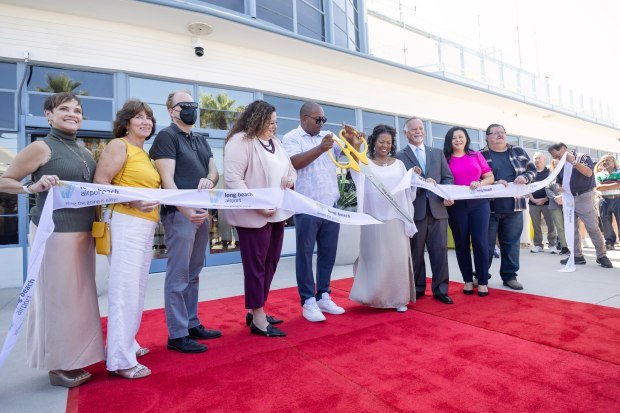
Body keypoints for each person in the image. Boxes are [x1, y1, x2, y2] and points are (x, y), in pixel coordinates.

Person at [0, 92, 104, 387]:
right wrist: (33, 187)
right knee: (57, 299)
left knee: (80, 299)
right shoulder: (41, 147)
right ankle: (58, 366)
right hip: (54, 233)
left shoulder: (83, 151)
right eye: (64, 109)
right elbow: (5, 180)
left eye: (77, 110)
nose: (72, 114)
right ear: (48, 114)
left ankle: (77, 357)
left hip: (84, 234)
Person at [149, 90, 222, 353]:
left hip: (201, 212)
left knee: (193, 273)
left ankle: (191, 323)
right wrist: (184, 209)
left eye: (193, 104)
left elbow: (214, 170)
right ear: (171, 110)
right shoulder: (167, 137)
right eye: (184, 105)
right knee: (179, 274)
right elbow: (166, 179)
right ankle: (177, 334)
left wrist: (210, 180)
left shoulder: (201, 140)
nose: (190, 109)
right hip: (179, 214)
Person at [94, 99, 160, 379]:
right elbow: (100, 184)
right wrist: (133, 201)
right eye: (139, 117)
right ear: (126, 122)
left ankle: (127, 344)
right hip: (125, 222)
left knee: (137, 288)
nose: (145, 122)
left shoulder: (144, 154)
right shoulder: (118, 145)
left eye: (149, 118)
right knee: (124, 289)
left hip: (145, 226)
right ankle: (120, 360)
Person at [222, 100, 296, 336]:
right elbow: (234, 179)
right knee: (255, 266)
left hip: (277, 213)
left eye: (275, 122)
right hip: (253, 216)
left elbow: (290, 168)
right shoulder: (240, 141)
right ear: (257, 120)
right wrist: (256, 205)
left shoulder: (276, 142)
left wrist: (288, 179)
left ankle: (256, 309)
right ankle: (258, 317)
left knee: (271, 262)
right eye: (270, 122)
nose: (274, 126)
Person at [282, 102, 345, 322]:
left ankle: (323, 295)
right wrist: (320, 148)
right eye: (317, 120)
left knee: (328, 253)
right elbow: (293, 163)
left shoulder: (327, 135)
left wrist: (353, 141)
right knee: (305, 254)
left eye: (323, 120)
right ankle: (308, 300)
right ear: (304, 118)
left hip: (330, 205)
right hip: (306, 205)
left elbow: (348, 156)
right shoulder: (291, 138)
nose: (321, 124)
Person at [346, 124, 416, 311]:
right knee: (376, 259)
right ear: (373, 142)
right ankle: (374, 297)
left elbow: (408, 191)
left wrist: (414, 177)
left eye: (389, 142)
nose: (385, 145)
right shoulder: (365, 163)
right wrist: (353, 142)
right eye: (381, 142)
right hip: (373, 218)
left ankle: (398, 299)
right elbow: (355, 171)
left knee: (396, 259)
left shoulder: (399, 164)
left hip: (396, 219)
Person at [395, 117, 454, 304]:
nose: (418, 131)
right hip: (414, 210)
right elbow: (399, 184)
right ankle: (418, 288)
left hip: (438, 210)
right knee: (416, 252)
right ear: (406, 133)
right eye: (414, 129)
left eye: (420, 128)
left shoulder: (437, 153)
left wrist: (444, 193)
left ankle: (441, 289)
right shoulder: (399, 157)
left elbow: (448, 178)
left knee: (440, 252)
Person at [481, 124, 536, 290]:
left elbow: (532, 171)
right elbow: (477, 176)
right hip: (488, 209)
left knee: (511, 244)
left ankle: (510, 276)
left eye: (502, 132)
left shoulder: (518, 152)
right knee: (485, 245)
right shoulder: (481, 155)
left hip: (515, 207)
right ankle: (482, 276)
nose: (500, 135)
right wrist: (494, 182)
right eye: (495, 133)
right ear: (487, 137)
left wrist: (526, 177)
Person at [443, 127, 494, 297]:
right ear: (449, 141)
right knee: (461, 243)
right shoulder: (445, 159)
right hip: (456, 207)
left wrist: (480, 183)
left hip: (479, 205)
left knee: (480, 242)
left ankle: (482, 281)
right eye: (454, 138)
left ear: (466, 139)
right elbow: (442, 182)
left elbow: (490, 177)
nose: (457, 140)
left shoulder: (476, 155)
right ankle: (467, 280)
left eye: (461, 136)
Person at [548, 143, 613, 268]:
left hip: (584, 197)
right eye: (555, 158)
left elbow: (589, 173)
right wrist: (559, 187)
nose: (557, 159)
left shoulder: (582, 157)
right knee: (571, 229)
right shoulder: (560, 164)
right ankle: (577, 256)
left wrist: (574, 163)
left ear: (564, 149)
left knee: (592, 227)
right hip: (568, 199)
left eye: (558, 155)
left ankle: (601, 256)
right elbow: (558, 182)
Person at [528, 152, 558, 254]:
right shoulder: (531, 172)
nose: (537, 160)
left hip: (548, 202)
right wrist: (533, 199)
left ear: (544, 159)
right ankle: (538, 245)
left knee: (551, 225)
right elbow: (527, 187)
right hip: (533, 203)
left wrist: (545, 199)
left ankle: (552, 245)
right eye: (535, 158)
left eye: (539, 158)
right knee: (536, 225)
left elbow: (552, 187)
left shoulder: (550, 171)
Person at [595, 155, 620, 250]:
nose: (605, 162)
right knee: (605, 222)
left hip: (618, 198)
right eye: (603, 161)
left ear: (614, 162)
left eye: (608, 160)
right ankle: (609, 242)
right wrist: (615, 184)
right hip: (604, 199)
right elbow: (598, 187)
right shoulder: (598, 174)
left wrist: (605, 185)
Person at [546, 159, 569, 254]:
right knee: (560, 227)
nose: (557, 165)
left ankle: (574, 247)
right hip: (554, 205)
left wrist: (563, 197)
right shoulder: (550, 176)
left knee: (570, 226)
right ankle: (565, 247)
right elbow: (547, 189)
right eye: (555, 164)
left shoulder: (568, 174)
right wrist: (555, 197)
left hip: (568, 204)